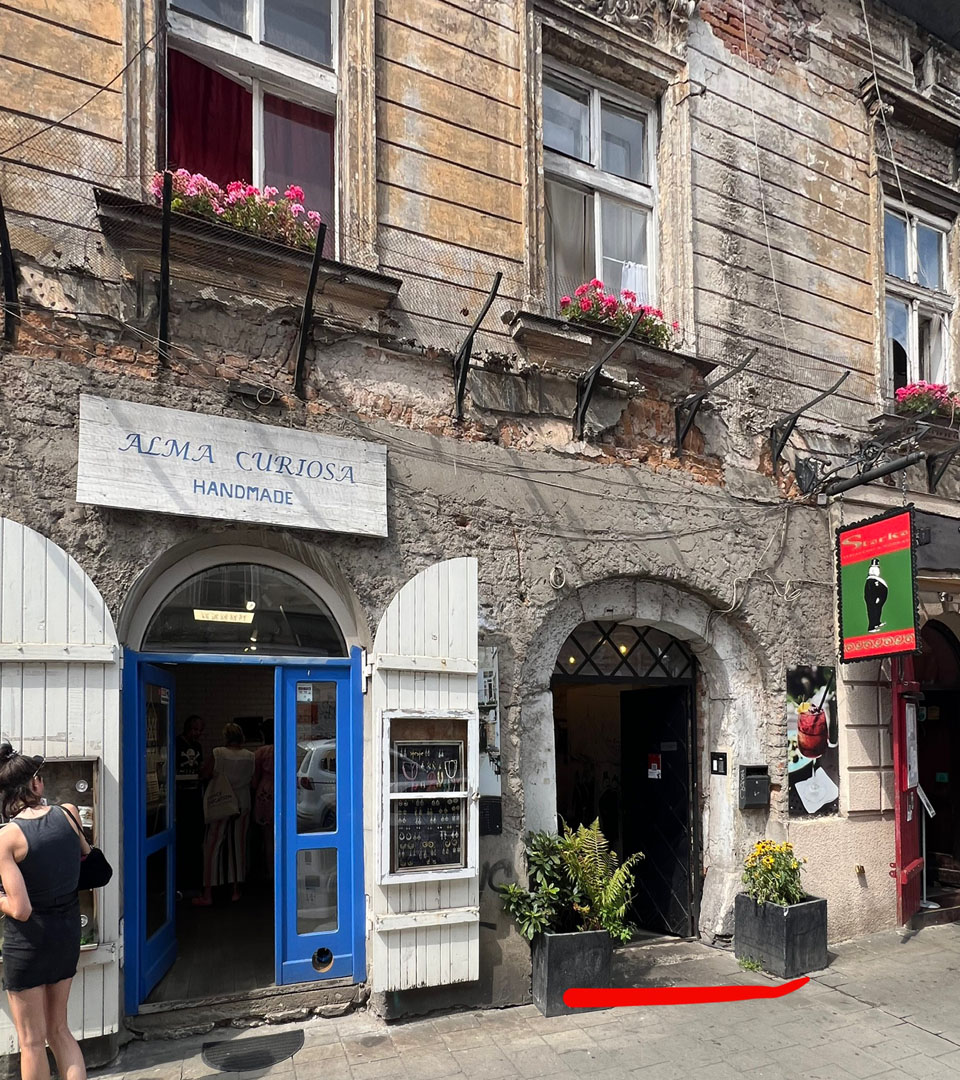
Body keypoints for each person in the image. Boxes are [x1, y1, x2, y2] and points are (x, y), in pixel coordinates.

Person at [0, 744, 90, 1080]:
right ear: (35, 785)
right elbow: (86, 854)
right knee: (60, 1030)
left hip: (28, 944)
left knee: (32, 1042)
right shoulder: (68, 813)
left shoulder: (8, 838)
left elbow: (20, 909)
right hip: (66, 935)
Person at [194, 723, 255, 905]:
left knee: (212, 846)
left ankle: (208, 893)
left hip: (221, 803)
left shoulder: (218, 753)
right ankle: (236, 890)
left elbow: (205, 774)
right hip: (243, 803)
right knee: (238, 847)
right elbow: (252, 780)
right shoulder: (251, 756)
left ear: (226, 736)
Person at [175, 715, 204, 896]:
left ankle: (192, 880)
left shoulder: (198, 747)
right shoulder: (177, 744)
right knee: (182, 839)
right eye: (195, 729)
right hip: (180, 796)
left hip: (194, 795)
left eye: (200, 730)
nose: (198, 734)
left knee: (194, 839)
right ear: (187, 728)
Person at [252, 720, 274, 880]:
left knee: (267, 837)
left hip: (264, 791)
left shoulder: (259, 752)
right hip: (280, 790)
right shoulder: (285, 749)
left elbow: (254, 779)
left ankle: (270, 871)